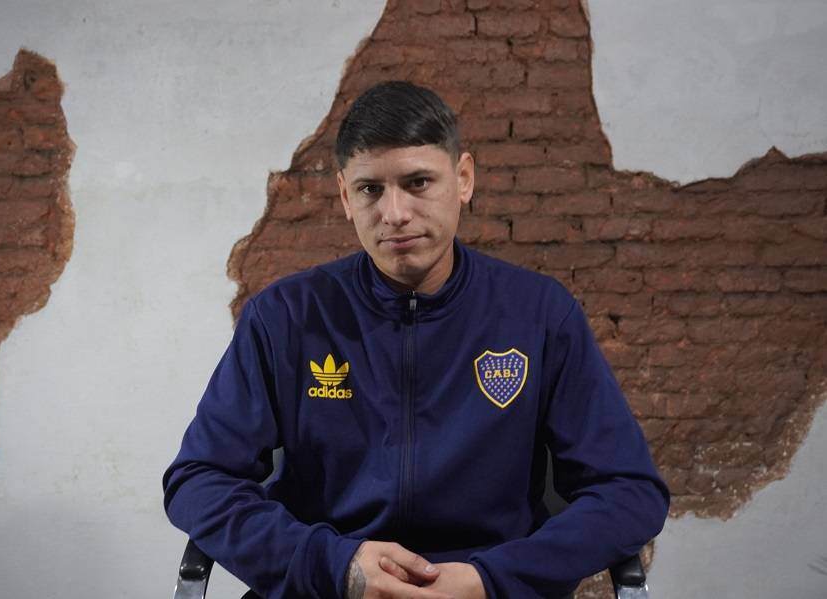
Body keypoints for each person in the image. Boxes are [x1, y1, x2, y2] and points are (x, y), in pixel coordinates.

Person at [163, 81, 669, 599]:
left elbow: (629, 491)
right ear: (345, 196)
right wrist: (335, 566)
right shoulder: (286, 317)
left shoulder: (540, 315)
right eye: (370, 189)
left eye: (418, 182)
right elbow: (198, 480)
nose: (395, 213)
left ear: (463, 179)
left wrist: (489, 578)